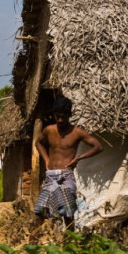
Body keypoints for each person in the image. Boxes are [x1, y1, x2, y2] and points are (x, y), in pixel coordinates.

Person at [33, 96, 103, 225]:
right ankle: (32, 243)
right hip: (51, 176)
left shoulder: (77, 132)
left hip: (66, 175)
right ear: (54, 115)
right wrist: (46, 160)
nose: (60, 120)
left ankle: (69, 242)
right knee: (40, 211)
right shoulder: (49, 130)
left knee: (68, 212)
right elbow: (38, 143)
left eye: (63, 117)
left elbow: (98, 147)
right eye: (57, 116)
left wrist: (79, 158)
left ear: (69, 116)